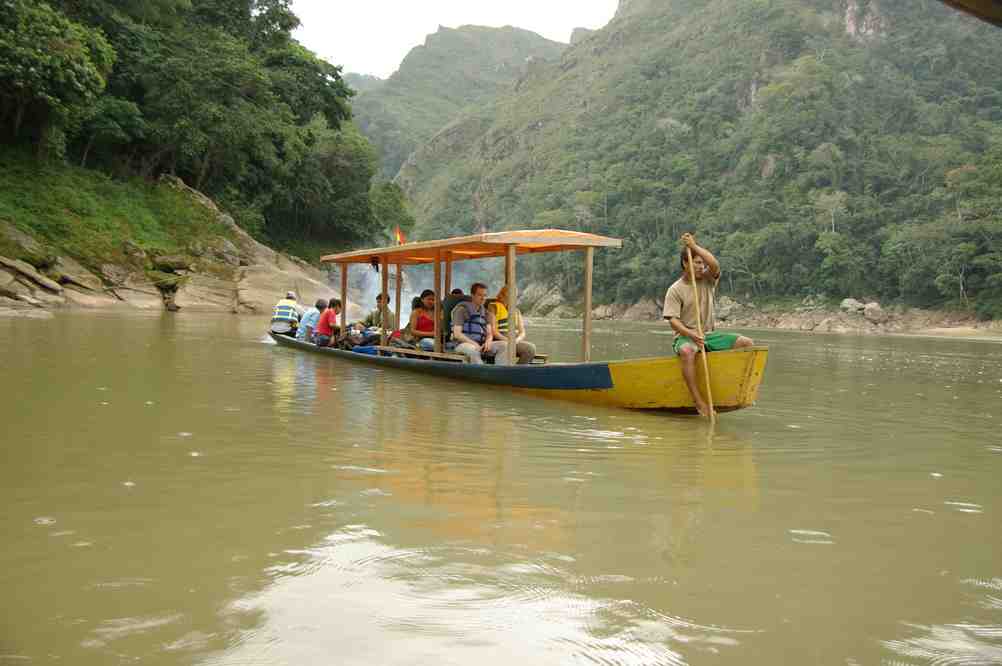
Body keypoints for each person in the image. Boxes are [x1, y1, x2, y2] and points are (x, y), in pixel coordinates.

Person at [663, 233, 753, 417]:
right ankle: (699, 402)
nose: (701, 266)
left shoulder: (708, 280)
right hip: (686, 336)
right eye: (696, 262)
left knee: (746, 344)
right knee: (688, 351)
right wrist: (691, 333)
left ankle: (731, 390)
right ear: (685, 264)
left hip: (709, 334)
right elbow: (672, 320)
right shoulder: (675, 290)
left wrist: (694, 246)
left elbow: (715, 265)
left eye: (702, 264)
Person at [450, 282, 511, 365]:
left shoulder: (487, 313)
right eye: (480, 295)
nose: (483, 298)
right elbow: (457, 334)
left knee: (505, 345)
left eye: (485, 295)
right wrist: (475, 344)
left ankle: (501, 371)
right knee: (474, 351)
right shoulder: (461, 310)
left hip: (482, 344)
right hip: (463, 344)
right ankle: (483, 372)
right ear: (472, 295)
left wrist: (488, 342)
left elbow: (489, 333)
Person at [488, 285, 536, 364]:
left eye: (515, 296)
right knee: (505, 346)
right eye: (510, 295)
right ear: (503, 294)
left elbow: (522, 332)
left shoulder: (516, 311)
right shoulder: (493, 307)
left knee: (530, 348)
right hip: (500, 340)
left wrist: (517, 340)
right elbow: (493, 331)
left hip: (514, 341)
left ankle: (518, 370)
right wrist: (508, 341)